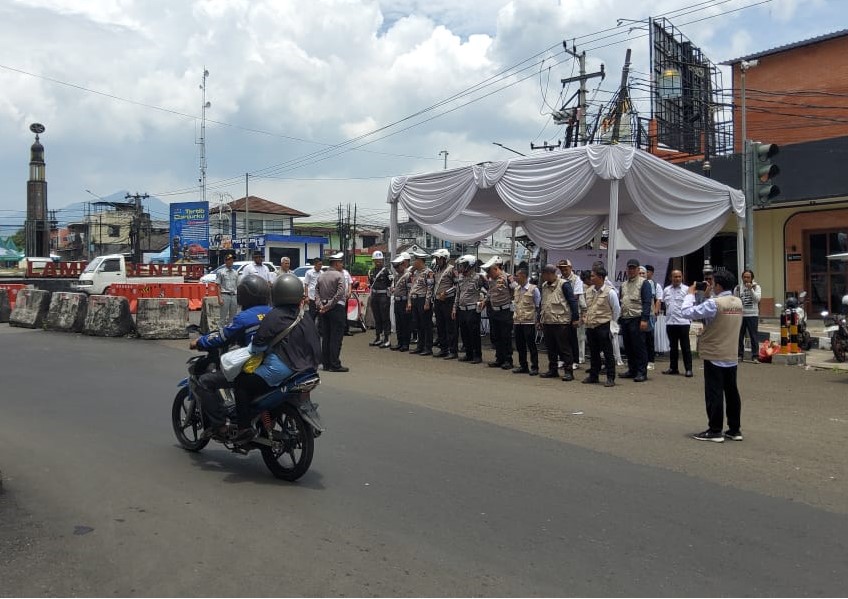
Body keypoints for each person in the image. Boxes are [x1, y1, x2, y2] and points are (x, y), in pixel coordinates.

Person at [232, 274, 321, 443]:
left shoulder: (275, 315)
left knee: (241, 383)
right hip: (309, 367)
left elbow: (258, 345)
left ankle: (244, 428)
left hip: (285, 368)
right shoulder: (306, 316)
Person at [189, 274, 272, 438]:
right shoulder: (273, 313)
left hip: (253, 367)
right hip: (274, 365)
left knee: (204, 381)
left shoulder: (243, 318)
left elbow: (222, 337)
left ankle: (220, 426)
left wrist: (199, 342)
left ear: (243, 295)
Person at [681, 270, 744, 443]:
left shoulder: (715, 303)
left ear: (718, 285)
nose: (709, 284)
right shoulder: (737, 302)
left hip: (715, 352)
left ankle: (715, 430)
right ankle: (734, 429)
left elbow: (687, 313)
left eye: (712, 282)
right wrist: (709, 296)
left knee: (714, 392)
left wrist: (690, 295)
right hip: (731, 353)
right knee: (732, 392)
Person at [538, 264, 579, 381]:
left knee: (564, 348)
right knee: (551, 348)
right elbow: (543, 303)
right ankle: (553, 370)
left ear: (550, 274)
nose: (543, 277)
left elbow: (572, 301)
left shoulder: (564, 284)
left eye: (545, 274)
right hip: (548, 321)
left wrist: (575, 318)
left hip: (561, 322)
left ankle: (568, 371)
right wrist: (539, 319)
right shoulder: (545, 286)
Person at [582, 266, 620, 387]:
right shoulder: (589, 291)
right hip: (591, 326)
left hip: (604, 325)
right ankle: (594, 375)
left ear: (601, 277)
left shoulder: (610, 292)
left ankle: (610, 377)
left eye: (593, 276)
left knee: (608, 353)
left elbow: (616, 310)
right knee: (593, 353)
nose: (591, 278)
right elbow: (586, 308)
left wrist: (612, 324)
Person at [619, 258, 653, 382]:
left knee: (639, 346)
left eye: (634, 268)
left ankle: (642, 372)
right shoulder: (623, 285)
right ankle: (632, 370)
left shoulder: (644, 283)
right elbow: (620, 302)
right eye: (629, 268)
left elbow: (647, 302)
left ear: (638, 270)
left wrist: (644, 319)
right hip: (625, 318)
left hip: (637, 318)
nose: (631, 270)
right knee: (628, 346)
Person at [315, 252, 349, 372]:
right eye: (340, 262)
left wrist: (321, 305)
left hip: (323, 309)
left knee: (326, 336)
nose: (342, 265)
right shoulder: (339, 276)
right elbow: (340, 293)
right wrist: (330, 305)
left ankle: (326, 363)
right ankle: (335, 364)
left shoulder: (321, 276)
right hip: (336, 308)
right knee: (336, 337)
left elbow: (316, 293)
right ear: (335, 263)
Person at [481, 256, 515, 369]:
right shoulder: (491, 280)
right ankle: (499, 359)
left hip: (505, 311)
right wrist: (485, 302)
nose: (488, 274)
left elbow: (516, 291)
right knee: (496, 336)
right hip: (494, 311)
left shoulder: (508, 278)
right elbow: (490, 293)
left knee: (506, 337)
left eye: (489, 271)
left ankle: (508, 360)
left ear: (496, 268)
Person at [452, 254, 486, 364]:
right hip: (462, 309)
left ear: (469, 265)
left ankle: (477, 355)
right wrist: (454, 308)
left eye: (463, 265)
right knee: (465, 333)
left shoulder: (478, 278)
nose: (461, 268)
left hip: (472, 309)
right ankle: (468, 353)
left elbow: (489, 289)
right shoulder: (460, 278)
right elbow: (458, 294)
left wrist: (483, 301)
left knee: (474, 333)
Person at [662, 269, 694, 377]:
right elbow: (664, 304)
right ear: (671, 278)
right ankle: (673, 368)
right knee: (673, 347)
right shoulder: (666, 290)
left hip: (683, 322)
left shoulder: (687, 290)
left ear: (682, 277)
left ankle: (688, 369)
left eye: (679, 276)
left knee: (685, 347)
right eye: (675, 277)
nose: (677, 279)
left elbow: (691, 304)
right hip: (670, 322)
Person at [512, 269, 540, 375]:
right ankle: (523, 365)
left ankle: (535, 366)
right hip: (518, 321)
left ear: (523, 276)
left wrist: (537, 320)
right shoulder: (517, 289)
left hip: (529, 322)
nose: (515, 277)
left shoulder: (533, 289)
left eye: (517, 275)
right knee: (520, 345)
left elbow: (537, 306)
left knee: (531, 345)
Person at [557, 259, 584, 372]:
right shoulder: (558, 278)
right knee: (561, 337)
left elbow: (576, 296)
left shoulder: (576, 279)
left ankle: (575, 361)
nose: (563, 270)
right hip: (560, 312)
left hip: (573, 311)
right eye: (562, 268)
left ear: (570, 267)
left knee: (573, 337)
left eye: (565, 268)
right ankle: (563, 359)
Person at [432, 249, 458, 359]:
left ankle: (453, 351)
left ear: (445, 259)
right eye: (437, 258)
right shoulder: (437, 269)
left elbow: (457, 286)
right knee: (440, 326)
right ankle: (443, 349)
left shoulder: (452, 270)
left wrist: (446, 293)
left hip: (448, 301)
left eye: (439, 258)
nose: (437, 260)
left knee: (450, 327)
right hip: (438, 301)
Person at [408, 252, 435, 355]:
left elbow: (430, 288)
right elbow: (411, 287)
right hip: (415, 299)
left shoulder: (428, 272)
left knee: (426, 325)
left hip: (423, 299)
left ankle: (428, 347)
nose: (414, 262)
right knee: (418, 324)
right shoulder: (415, 273)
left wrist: (427, 302)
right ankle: (420, 346)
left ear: (420, 261)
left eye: (415, 260)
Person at [735, 269, 762, 362]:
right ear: (742, 278)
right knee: (739, 336)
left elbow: (757, 299)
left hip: (752, 315)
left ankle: (755, 356)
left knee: (753, 336)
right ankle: (740, 355)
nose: (746, 279)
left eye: (748, 277)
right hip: (741, 315)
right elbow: (736, 301)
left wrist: (751, 289)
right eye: (744, 277)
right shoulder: (738, 288)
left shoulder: (756, 287)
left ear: (752, 278)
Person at [367, 250, 392, 348]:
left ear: (383, 260)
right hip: (375, 296)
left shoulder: (386, 271)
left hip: (383, 297)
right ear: (373, 261)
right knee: (377, 318)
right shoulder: (371, 271)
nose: (378, 262)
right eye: (376, 260)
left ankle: (387, 339)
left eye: (380, 260)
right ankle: (378, 337)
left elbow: (390, 283)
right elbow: (370, 283)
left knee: (385, 318)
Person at [390, 252, 413, 352]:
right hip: (397, 301)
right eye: (395, 267)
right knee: (398, 323)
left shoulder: (408, 275)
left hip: (404, 301)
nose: (396, 269)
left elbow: (409, 291)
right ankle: (400, 342)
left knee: (405, 324)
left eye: (397, 267)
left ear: (402, 265)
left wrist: (409, 303)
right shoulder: (397, 276)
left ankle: (405, 344)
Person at [643, 264, 663, 371]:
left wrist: (655, 313)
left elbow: (658, 300)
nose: (645, 274)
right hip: (640, 315)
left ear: (651, 273)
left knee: (649, 339)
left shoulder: (656, 285)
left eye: (647, 272)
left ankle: (651, 361)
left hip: (650, 316)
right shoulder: (640, 283)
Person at [216, 253, 239, 325]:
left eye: (232, 260)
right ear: (225, 261)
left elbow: (237, 285)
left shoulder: (235, 272)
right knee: (223, 316)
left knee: (233, 316)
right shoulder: (221, 272)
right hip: (225, 295)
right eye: (229, 260)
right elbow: (218, 285)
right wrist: (219, 298)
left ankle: (230, 332)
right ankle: (220, 331)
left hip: (234, 295)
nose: (231, 262)